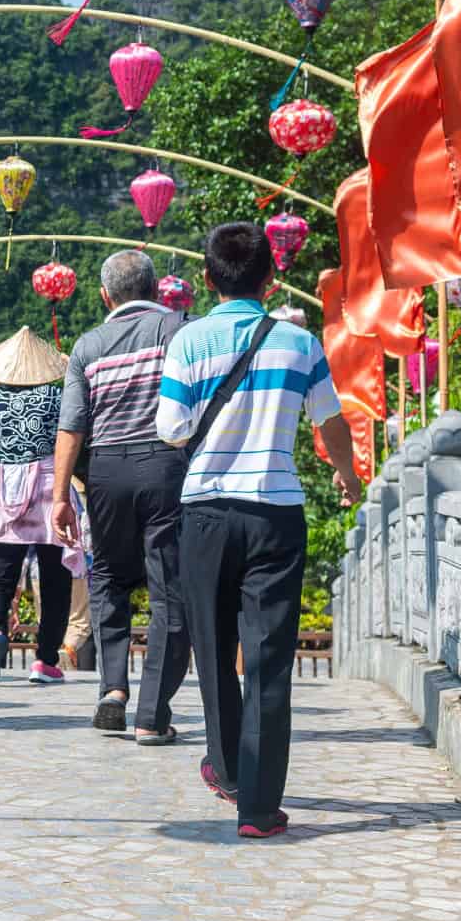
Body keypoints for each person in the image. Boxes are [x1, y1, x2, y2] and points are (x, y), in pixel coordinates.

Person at [158, 222, 360, 839]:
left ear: (206, 278)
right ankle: (259, 809)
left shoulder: (188, 341)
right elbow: (330, 421)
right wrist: (349, 478)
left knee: (214, 648)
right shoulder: (299, 344)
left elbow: (170, 428)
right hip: (275, 511)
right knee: (269, 659)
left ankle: (226, 769)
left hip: (206, 514)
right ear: (270, 277)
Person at [49, 249, 194, 743]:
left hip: (106, 472)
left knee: (107, 577)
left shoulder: (88, 346)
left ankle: (113, 690)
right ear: (156, 290)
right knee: (168, 588)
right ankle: (152, 714)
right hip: (166, 465)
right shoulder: (178, 330)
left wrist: (60, 495)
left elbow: (71, 428)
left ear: (104, 296)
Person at [0, 328, 87, 689]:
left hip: (4, 489)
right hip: (51, 486)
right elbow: (77, 435)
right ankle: (45, 662)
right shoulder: (56, 397)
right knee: (55, 577)